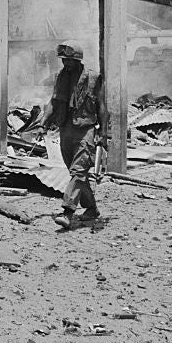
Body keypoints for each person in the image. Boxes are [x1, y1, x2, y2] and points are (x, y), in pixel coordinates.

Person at [44, 40, 109, 229]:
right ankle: (92, 209)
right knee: (76, 174)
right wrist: (43, 124)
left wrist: (103, 134)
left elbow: (103, 108)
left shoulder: (93, 78)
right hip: (66, 129)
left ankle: (67, 212)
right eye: (63, 60)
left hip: (85, 130)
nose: (66, 63)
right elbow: (54, 103)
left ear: (78, 60)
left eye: (69, 60)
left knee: (78, 171)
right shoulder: (60, 77)